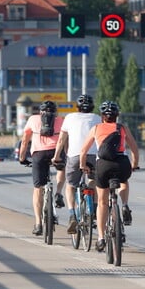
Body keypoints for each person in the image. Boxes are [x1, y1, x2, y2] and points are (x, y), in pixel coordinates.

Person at [79, 100, 139, 252]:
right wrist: (134, 164)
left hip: (103, 165)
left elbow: (83, 151)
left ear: (102, 116)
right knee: (124, 180)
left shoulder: (96, 128)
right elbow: (134, 148)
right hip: (122, 163)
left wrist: (83, 165)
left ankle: (100, 238)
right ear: (117, 116)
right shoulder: (122, 128)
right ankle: (124, 205)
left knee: (102, 202)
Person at [53, 94, 100, 234]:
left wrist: (56, 156)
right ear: (92, 107)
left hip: (74, 155)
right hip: (93, 155)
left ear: (77, 107)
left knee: (71, 186)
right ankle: (94, 209)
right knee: (94, 181)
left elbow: (61, 140)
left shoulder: (69, 117)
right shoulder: (97, 118)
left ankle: (72, 214)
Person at [18, 100, 65, 236]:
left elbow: (25, 139)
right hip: (57, 153)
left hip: (39, 155)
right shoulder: (61, 120)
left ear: (40, 111)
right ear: (55, 111)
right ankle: (58, 193)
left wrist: (22, 157)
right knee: (61, 169)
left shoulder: (33, 119)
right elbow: (65, 139)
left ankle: (38, 223)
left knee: (38, 188)